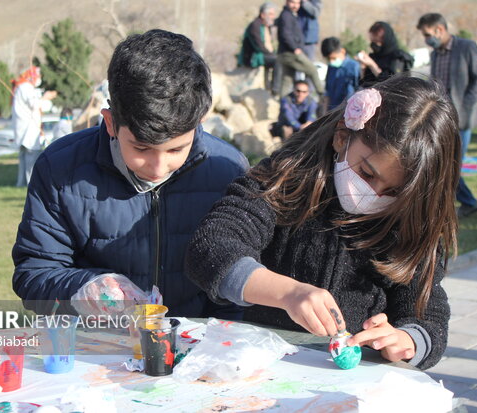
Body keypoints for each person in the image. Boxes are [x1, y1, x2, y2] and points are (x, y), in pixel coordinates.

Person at [186, 75, 461, 370]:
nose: (375, 194)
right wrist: (288, 293)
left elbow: (427, 310)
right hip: (271, 368)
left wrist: (409, 340)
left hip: (358, 383)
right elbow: (212, 247)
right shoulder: (285, 179)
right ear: (342, 136)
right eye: (367, 173)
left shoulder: (407, 218)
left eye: (394, 191)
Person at [12, 30, 249, 318]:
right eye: (142, 148)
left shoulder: (228, 169)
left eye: (176, 150)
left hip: (201, 345)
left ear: (199, 122)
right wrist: (84, 287)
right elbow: (34, 274)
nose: (158, 167)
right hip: (100, 343)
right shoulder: (60, 168)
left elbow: (239, 280)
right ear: (111, 123)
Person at [417, 13, 477, 218]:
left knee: (451, 165)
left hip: (462, 118)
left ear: (439, 29)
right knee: (440, 162)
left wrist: (464, 108)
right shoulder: (435, 54)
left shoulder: (467, 47)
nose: (426, 39)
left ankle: (466, 202)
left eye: (428, 34)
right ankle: (453, 205)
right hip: (441, 118)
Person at [12, 66, 57, 187]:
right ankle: (31, 184)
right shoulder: (26, 87)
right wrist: (46, 97)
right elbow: (34, 104)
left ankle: (21, 183)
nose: (39, 78)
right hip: (28, 129)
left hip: (23, 128)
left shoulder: (20, 87)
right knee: (31, 158)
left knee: (23, 158)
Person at [276, 0, 324, 96]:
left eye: (298, 3)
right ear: (287, 2)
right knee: (312, 70)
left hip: (288, 52)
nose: (295, 5)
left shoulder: (291, 14)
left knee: (287, 79)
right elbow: (286, 35)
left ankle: (283, 103)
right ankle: (322, 95)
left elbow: (315, 12)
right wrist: (295, 48)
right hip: (291, 53)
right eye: (293, 2)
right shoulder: (286, 15)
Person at [239, 2, 280, 94]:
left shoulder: (265, 26)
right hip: (253, 57)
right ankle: (275, 89)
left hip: (262, 54)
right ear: (262, 15)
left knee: (277, 59)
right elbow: (259, 46)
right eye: (270, 14)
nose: (273, 17)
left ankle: (268, 87)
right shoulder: (255, 25)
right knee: (278, 60)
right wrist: (272, 55)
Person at [320, 36, 360, 112]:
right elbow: (328, 92)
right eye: (329, 59)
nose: (331, 61)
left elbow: (358, 90)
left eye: (334, 58)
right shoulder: (331, 67)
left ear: (342, 51)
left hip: (349, 111)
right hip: (332, 111)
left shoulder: (354, 67)